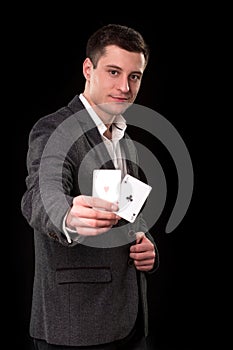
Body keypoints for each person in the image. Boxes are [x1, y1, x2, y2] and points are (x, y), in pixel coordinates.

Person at [21, 23, 159, 350]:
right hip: (76, 325)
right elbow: (42, 192)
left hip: (130, 320)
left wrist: (147, 244)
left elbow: (130, 212)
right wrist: (67, 215)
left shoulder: (127, 143)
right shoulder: (55, 129)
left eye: (134, 76)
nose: (124, 87)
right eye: (113, 72)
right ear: (88, 69)